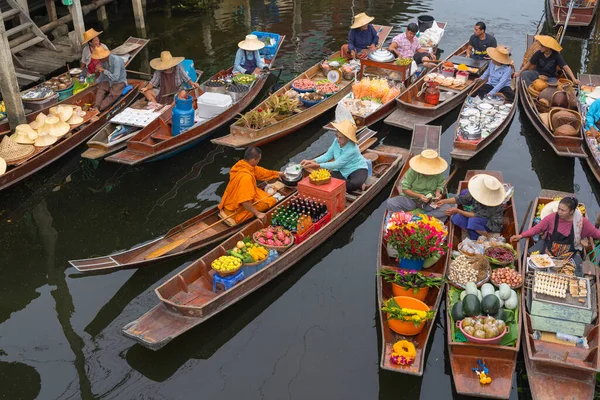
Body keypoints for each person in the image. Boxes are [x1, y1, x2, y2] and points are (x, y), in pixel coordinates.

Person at [510, 197, 600, 276]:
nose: (559, 212)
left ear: (571, 211)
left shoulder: (581, 223)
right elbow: (537, 229)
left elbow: (596, 233)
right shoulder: (552, 218)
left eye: (563, 210)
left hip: (568, 255)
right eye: (559, 209)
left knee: (577, 272)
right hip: (548, 249)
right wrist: (521, 235)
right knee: (529, 257)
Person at [218, 147, 283, 224]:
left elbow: (261, 172)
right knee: (270, 201)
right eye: (258, 160)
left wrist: (277, 174)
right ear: (253, 160)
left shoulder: (241, 165)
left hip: (231, 201)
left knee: (258, 192)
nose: (259, 161)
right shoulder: (246, 177)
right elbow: (244, 202)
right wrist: (258, 214)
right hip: (235, 212)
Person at [300, 120, 368, 193]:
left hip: (356, 169)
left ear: (348, 138)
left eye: (340, 137)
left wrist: (317, 165)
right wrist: (311, 161)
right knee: (327, 179)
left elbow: (336, 164)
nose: (337, 139)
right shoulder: (336, 141)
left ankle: (359, 184)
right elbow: (327, 156)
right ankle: (357, 183)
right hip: (341, 170)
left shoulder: (352, 149)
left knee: (354, 184)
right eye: (337, 136)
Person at [433, 174, 506, 240]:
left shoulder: (494, 203)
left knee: (473, 222)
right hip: (476, 215)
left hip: (491, 223)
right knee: (456, 218)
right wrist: (444, 201)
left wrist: (458, 210)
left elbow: (475, 215)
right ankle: (472, 230)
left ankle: (481, 236)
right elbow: (461, 199)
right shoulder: (477, 192)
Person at [386, 149, 451, 221]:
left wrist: (438, 193)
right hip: (411, 200)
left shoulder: (438, 172)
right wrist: (419, 196)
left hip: (430, 202)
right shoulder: (412, 171)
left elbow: (440, 185)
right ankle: (419, 218)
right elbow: (405, 188)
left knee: (447, 209)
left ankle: (420, 217)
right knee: (391, 203)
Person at [514, 35, 579, 87]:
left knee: (555, 86)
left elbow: (566, 67)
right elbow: (529, 63)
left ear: (548, 47)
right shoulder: (538, 53)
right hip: (538, 74)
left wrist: (573, 79)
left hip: (550, 77)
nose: (540, 47)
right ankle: (530, 89)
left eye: (542, 46)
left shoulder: (556, 56)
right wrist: (519, 73)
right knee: (524, 74)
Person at [91, 46, 128, 111]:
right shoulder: (103, 61)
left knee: (112, 95)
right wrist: (96, 81)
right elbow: (103, 76)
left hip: (119, 81)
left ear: (105, 56)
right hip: (109, 80)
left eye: (100, 58)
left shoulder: (117, 61)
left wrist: (103, 70)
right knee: (101, 89)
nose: (99, 60)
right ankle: (96, 106)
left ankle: (98, 110)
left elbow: (115, 78)